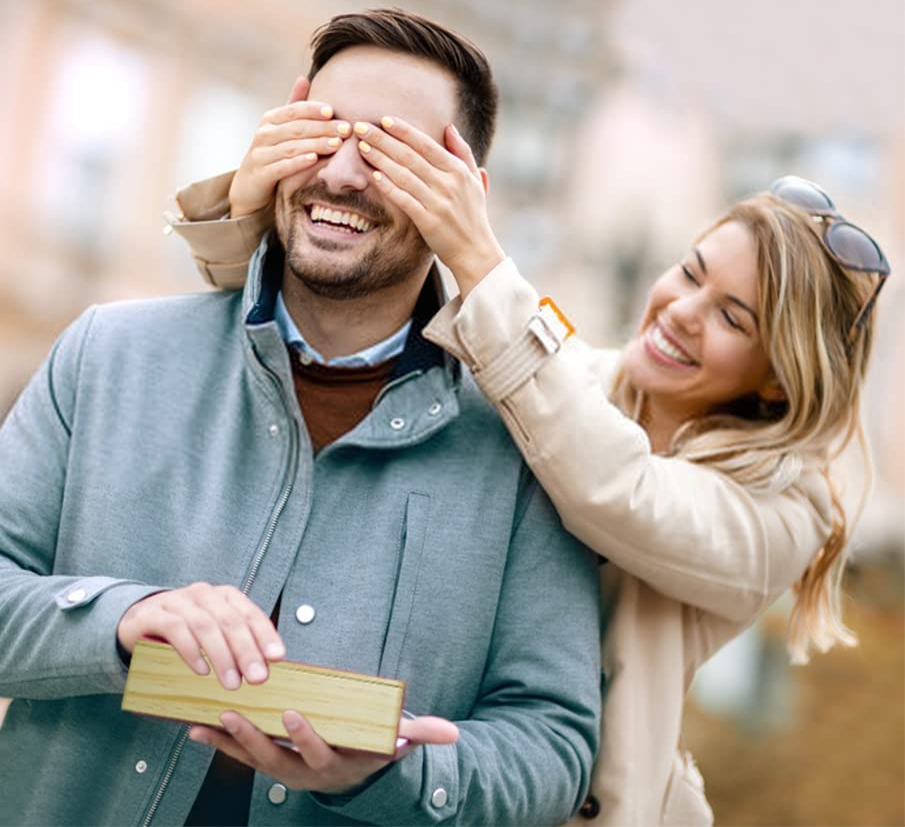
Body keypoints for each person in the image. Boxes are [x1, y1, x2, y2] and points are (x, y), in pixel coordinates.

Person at [0, 9, 603, 827]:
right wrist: (123, 618)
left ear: (465, 197)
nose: (342, 172)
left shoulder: (526, 448)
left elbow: (553, 747)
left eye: (390, 150)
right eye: (323, 131)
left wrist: (394, 773)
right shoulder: (109, 354)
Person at [170, 94, 890, 825]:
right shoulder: (567, 385)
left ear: (779, 374)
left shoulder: (784, 508)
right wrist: (253, 210)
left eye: (732, 316)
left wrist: (478, 256)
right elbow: (346, 337)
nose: (680, 308)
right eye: (690, 271)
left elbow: (615, 488)